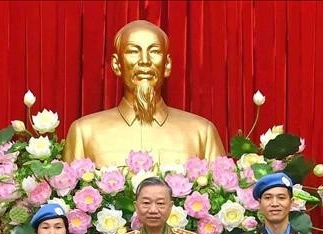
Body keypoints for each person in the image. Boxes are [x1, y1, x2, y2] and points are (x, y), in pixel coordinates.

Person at [64, 20, 224, 167]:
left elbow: (222, 195)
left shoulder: (202, 133)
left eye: (154, 51)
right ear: (116, 64)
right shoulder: (84, 133)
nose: (145, 60)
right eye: (133, 51)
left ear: (167, 65)